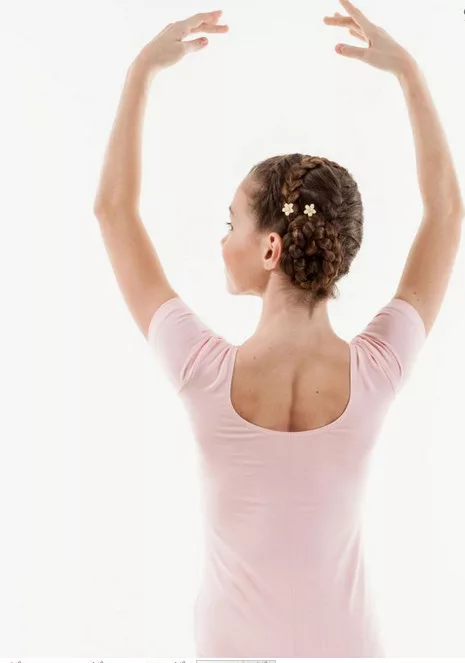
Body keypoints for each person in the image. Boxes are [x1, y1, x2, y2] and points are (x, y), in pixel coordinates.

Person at [95, 0, 464, 657]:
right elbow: (446, 212)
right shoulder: (378, 369)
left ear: (270, 248)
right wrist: (408, 72)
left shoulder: (199, 369)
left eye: (230, 222)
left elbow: (113, 211)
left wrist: (141, 71)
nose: (222, 239)